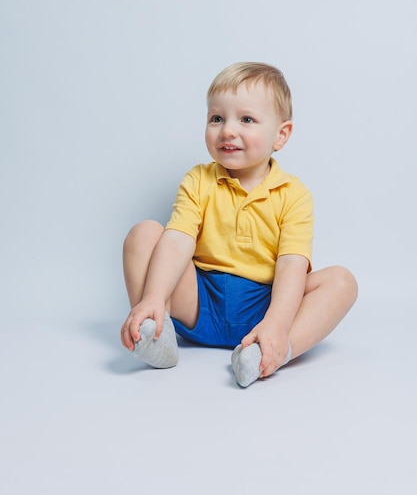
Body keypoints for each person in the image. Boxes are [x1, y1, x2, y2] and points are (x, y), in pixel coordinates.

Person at [120, 62, 358, 387]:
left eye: (246, 119)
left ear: (281, 134)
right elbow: (177, 240)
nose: (228, 130)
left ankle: (273, 350)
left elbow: (291, 265)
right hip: (200, 302)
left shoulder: (294, 194)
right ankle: (156, 329)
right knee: (144, 234)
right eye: (217, 118)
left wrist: (276, 322)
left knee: (342, 282)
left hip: (263, 307)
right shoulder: (199, 180)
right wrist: (153, 295)